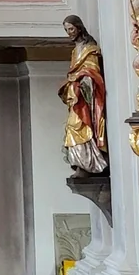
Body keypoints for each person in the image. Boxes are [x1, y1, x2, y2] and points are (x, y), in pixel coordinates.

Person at [59, 16, 109, 175]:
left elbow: (93, 71)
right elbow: (74, 72)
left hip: (85, 94)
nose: (69, 33)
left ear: (79, 27)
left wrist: (82, 80)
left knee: (81, 125)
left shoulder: (90, 49)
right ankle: (81, 164)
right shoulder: (75, 51)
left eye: (71, 29)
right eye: (67, 30)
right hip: (76, 94)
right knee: (71, 126)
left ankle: (90, 163)